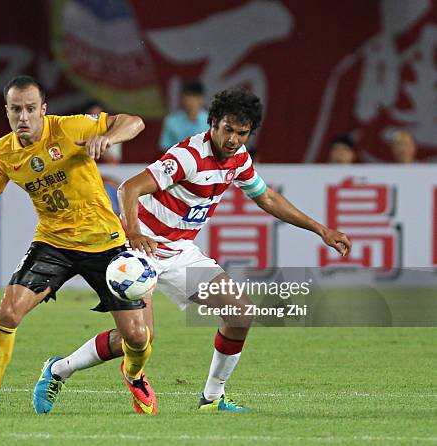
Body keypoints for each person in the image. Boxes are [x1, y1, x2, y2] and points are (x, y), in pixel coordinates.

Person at [38, 88, 351, 413]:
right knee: (139, 338)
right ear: (212, 123)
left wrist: (321, 229)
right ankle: (59, 369)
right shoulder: (188, 157)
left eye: (241, 133)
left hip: (178, 252)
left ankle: (212, 398)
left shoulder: (239, 159)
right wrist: (133, 232)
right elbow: (129, 187)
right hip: (139, 252)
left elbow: (267, 198)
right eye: (227, 129)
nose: (233, 139)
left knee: (240, 313)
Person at [0, 75, 157, 418]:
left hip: (106, 243)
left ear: (44, 110)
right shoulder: (3, 153)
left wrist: (106, 137)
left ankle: (134, 374)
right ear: (6, 111)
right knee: (7, 311)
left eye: (31, 109)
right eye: (16, 109)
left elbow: (134, 122)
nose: (24, 116)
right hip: (54, 243)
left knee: (139, 337)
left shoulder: (69, 128)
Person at [159, 80, 209, 151]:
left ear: (202, 99)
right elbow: (165, 147)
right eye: (188, 96)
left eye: (194, 97)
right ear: (182, 98)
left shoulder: (212, 121)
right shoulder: (171, 120)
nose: (190, 100)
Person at [83, 100, 122, 164]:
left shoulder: (112, 132)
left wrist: (96, 145)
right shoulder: (80, 130)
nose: (94, 120)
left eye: (97, 116)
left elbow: (114, 161)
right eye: (91, 116)